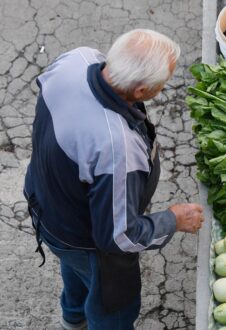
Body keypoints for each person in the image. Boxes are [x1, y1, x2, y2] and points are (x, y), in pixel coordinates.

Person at [23, 29, 204, 329]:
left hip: (47, 203)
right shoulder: (116, 147)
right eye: (163, 82)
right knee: (113, 307)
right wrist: (173, 219)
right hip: (85, 237)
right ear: (142, 92)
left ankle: (73, 319)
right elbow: (120, 236)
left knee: (76, 271)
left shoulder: (78, 59)